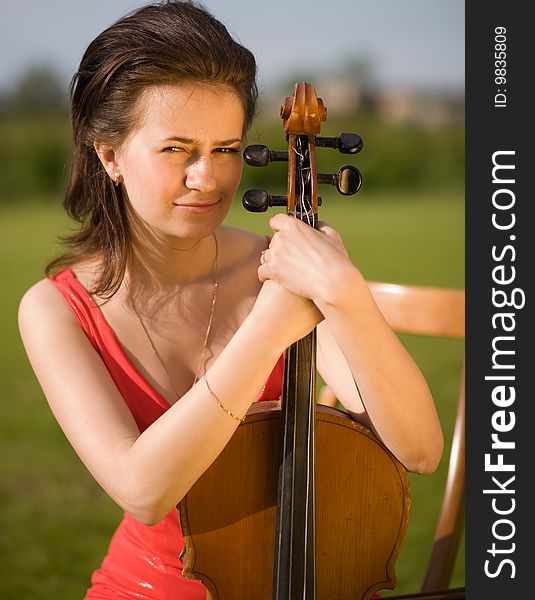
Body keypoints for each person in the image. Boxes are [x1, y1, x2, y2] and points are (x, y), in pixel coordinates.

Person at [18, 1, 444, 598]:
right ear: (109, 155)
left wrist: (345, 294)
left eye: (226, 149)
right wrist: (269, 328)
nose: (209, 179)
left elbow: (419, 449)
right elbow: (144, 492)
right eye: (176, 150)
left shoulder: (282, 269)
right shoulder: (55, 308)